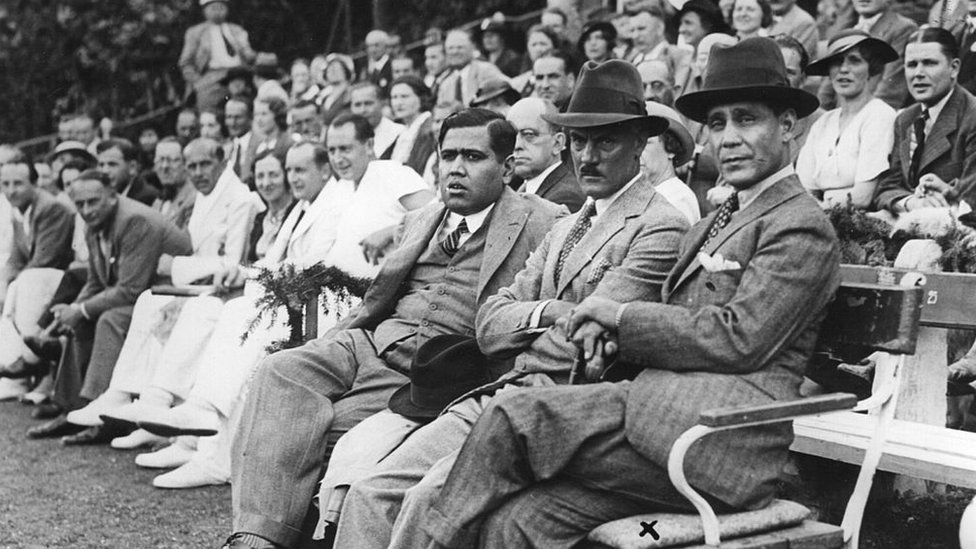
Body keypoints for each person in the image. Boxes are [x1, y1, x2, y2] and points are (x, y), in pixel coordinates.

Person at [416, 37, 839, 548]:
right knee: (521, 522)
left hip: (718, 445)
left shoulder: (798, 225)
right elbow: (671, 318)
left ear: (789, 125)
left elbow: (740, 338)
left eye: (747, 119)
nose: (728, 138)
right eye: (720, 122)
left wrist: (618, 318)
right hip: (652, 419)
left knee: (512, 419)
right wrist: (607, 334)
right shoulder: (716, 220)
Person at [330, 59, 690, 549]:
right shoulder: (567, 225)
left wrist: (532, 320)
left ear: (639, 144)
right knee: (374, 490)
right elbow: (489, 324)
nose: (588, 156)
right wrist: (546, 313)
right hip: (504, 393)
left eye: (605, 141)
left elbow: (587, 337)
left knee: (426, 499)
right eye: (579, 141)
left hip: (563, 411)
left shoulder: (658, 225)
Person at [219, 109, 564, 549]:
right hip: (369, 341)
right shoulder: (425, 218)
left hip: (431, 371)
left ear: (508, 167)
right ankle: (258, 537)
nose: (456, 168)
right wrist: (344, 334)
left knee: (333, 427)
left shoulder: (543, 221)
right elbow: (378, 298)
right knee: (279, 370)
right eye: (448, 155)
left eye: (473, 157)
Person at [63, 138, 258, 438]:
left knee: (144, 305)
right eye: (191, 165)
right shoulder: (205, 197)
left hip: (216, 288)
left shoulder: (239, 198)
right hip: (189, 284)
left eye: (204, 164)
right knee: (147, 303)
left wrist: (178, 267)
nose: (197, 172)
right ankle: (128, 396)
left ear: (222, 162)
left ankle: (151, 401)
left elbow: (232, 262)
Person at [25, 170, 192, 441]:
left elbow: (130, 288)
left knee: (109, 318)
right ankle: (72, 407)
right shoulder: (96, 222)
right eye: (80, 204)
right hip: (143, 297)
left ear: (112, 197)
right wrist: (72, 310)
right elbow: (95, 280)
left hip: (172, 298)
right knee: (83, 319)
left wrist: (80, 310)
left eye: (93, 201)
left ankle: (101, 418)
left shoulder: (134, 220)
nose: (86, 210)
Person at [873, 28, 976, 216]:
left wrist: (947, 191)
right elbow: (886, 188)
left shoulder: (972, 116)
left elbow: (972, 198)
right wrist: (910, 202)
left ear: (954, 68)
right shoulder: (905, 119)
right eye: (912, 65)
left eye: (929, 63)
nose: (918, 73)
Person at [797, 30, 898, 209]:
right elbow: (802, 189)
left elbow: (862, 197)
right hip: (816, 214)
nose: (844, 69)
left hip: (860, 220)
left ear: (871, 69)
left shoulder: (879, 115)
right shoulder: (823, 123)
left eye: (854, 60)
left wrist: (821, 201)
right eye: (836, 62)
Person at [0, 150, 75, 299]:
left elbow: (43, 261)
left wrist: (10, 287)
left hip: (56, 285)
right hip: (33, 280)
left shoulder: (51, 208)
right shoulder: (19, 208)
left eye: (18, 183)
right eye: (5, 184)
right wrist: (3, 282)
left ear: (34, 183)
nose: (11, 191)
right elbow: (16, 259)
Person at [819, 0, 916, 110]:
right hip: (840, 113)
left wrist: (862, 118)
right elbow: (828, 84)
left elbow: (891, 90)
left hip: (873, 114)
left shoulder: (902, 28)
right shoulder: (846, 27)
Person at [506, 97, 585, 212]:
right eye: (511, 137)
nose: (516, 145)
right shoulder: (523, 188)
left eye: (529, 135)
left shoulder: (566, 198)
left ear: (558, 143)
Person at [178, 0, 255, 111]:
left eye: (221, 7)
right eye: (213, 8)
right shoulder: (196, 32)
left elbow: (248, 54)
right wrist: (198, 81)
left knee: (247, 104)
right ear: (205, 10)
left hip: (238, 73)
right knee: (208, 107)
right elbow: (185, 63)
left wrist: (249, 55)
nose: (218, 11)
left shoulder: (237, 30)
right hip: (212, 77)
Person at [642, 101, 702, 223]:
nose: (636, 153)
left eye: (645, 143)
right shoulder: (647, 194)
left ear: (671, 149)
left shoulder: (677, 199)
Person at [436, 29, 508, 108]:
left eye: (460, 47)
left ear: (471, 49)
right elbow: (440, 112)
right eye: (450, 48)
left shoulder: (486, 70)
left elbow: (509, 88)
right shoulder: (445, 84)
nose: (455, 52)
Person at [388, 76, 438, 176]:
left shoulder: (430, 128)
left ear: (421, 98)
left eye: (404, 96)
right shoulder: (404, 131)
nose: (398, 103)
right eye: (394, 97)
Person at [241, 97, 294, 186]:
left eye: (264, 114)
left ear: (277, 115)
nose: (259, 119)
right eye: (256, 115)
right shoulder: (258, 145)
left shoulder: (288, 142)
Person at [95, 139, 159, 206]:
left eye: (112, 164)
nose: (105, 171)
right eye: (101, 165)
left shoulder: (148, 198)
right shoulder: (99, 194)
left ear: (132, 167)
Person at [150, 138, 196, 230]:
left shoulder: (193, 199)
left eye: (172, 160)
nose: (164, 166)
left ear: (186, 164)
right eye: (160, 160)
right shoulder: (157, 202)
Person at [350, 82, 404, 158]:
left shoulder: (399, 133)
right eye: (357, 105)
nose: (363, 110)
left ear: (382, 103)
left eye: (368, 103)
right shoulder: (346, 136)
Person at [511, 24, 561, 96]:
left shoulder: (561, 78)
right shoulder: (518, 82)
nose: (538, 49)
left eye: (543, 44)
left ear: (554, 47)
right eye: (534, 44)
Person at [224, 98, 253, 177]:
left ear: (249, 118)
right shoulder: (226, 148)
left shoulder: (259, 144)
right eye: (229, 117)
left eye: (238, 117)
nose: (233, 123)